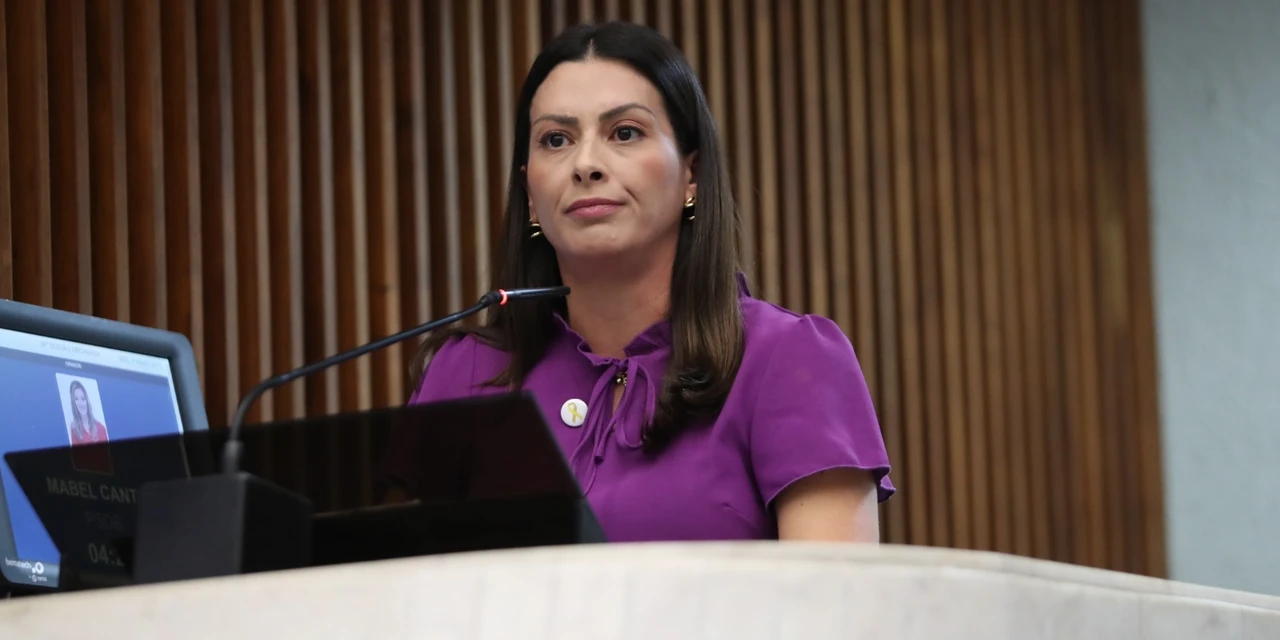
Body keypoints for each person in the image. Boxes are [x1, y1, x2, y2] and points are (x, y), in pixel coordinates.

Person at [384, 21, 894, 542]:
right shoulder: (465, 374)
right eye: (555, 140)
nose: (585, 164)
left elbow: (836, 611)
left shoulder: (788, 360)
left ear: (691, 175)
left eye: (624, 132)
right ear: (530, 193)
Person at [67, 380, 109, 445]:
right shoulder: (73, 429)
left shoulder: (101, 428)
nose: (81, 404)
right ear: (73, 403)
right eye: (76, 399)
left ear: (87, 400)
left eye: (83, 398)